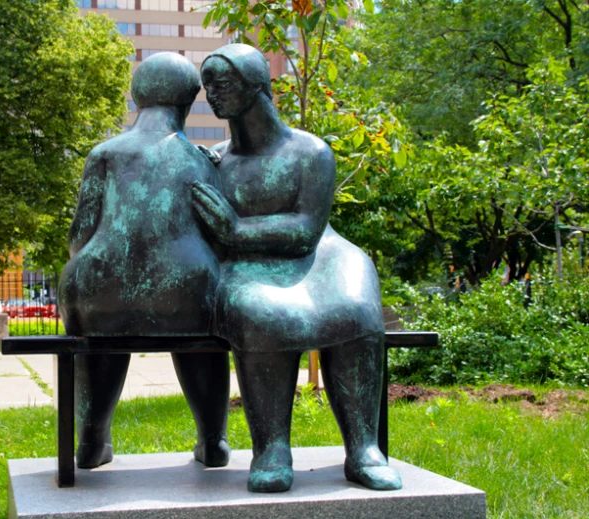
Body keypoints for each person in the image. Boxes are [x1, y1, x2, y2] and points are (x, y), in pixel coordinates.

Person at [192, 44, 402, 493]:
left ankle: (364, 449)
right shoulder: (215, 160)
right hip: (248, 264)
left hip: (321, 253)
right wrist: (232, 237)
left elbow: (308, 229)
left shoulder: (311, 152)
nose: (212, 94)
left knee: (357, 308)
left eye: (222, 84)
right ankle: (272, 449)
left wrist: (236, 229)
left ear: (256, 84)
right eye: (207, 86)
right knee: (260, 314)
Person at [59, 52, 230, 469]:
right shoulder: (201, 161)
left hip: (95, 289)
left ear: (136, 97)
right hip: (184, 291)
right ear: (189, 104)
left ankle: (92, 441)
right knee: (203, 330)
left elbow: (79, 237)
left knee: (102, 324)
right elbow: (217, 236)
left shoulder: (103, 154)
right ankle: (212, 440)